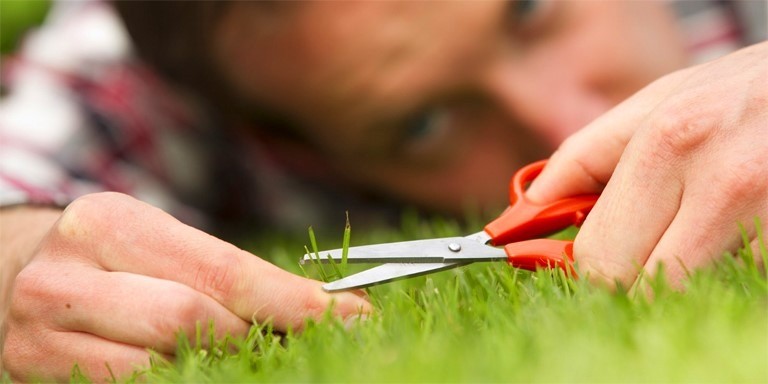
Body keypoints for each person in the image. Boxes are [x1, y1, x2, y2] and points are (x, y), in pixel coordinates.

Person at [1, 0, 765, 381]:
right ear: (288, 146)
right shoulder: (144, 62)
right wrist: (23, 266)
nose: (572, 118)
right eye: (423, 124)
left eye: (531, 9)